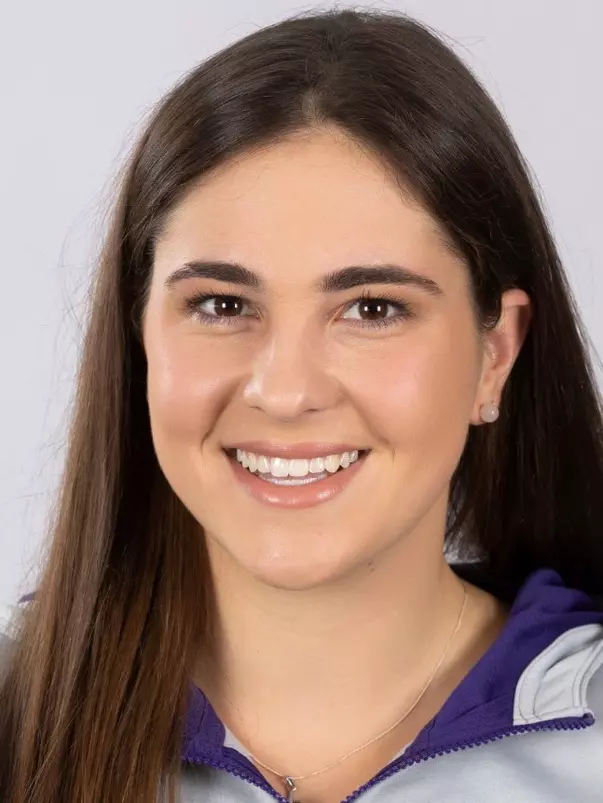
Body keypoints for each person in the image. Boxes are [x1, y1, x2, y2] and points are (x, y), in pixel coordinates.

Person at [1, 6, 603, 802]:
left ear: (494, 355)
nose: (284, 392)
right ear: (139, 337)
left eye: (372, 308)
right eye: (220, 305)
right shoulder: (18, 717)